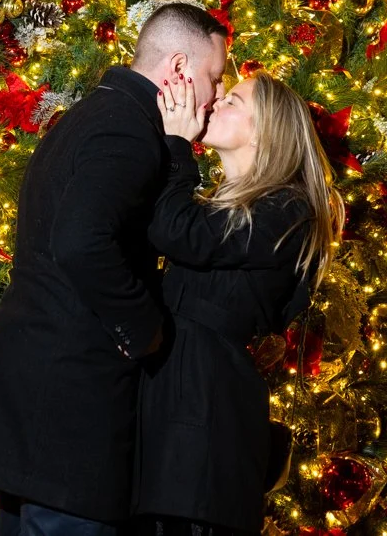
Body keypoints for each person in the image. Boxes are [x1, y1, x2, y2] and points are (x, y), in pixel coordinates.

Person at [0, 2, 230, 536]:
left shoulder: (96, 112)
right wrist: (145, 330)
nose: (213, 97)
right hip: (67, 409)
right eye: (214, 78)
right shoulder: (127, 130)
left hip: (32, 400)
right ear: (178, 70)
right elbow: (79, 241)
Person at [133, 71, 344, 536]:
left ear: (267, 129)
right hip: (178, 397)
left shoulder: (290, 209)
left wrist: (176, 145)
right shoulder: (224, 205)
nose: (213, 104)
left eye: (232, 101)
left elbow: (180, 232)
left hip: (207, 412)